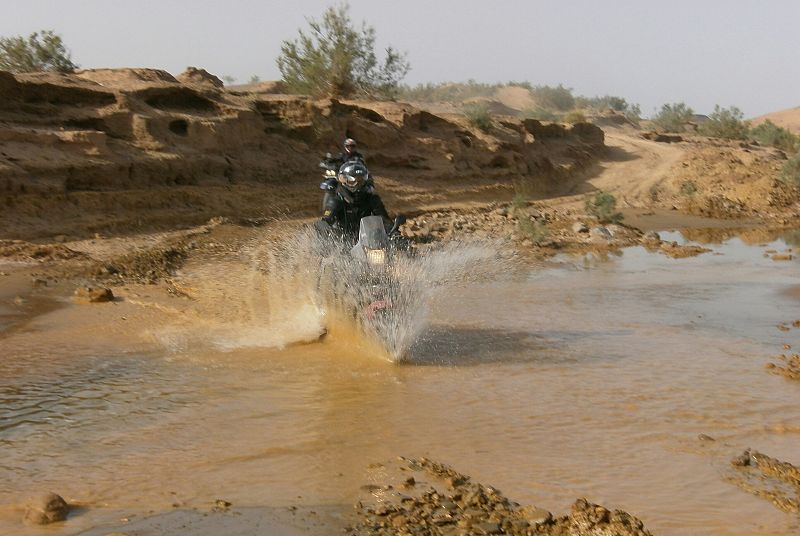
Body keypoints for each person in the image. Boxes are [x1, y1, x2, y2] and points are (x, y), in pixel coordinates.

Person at [319, 160, 390, 239]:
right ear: (344, 181)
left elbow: (385, 220)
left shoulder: (372, 199)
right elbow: (326, 220)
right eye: (353, 181)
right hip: (341, 244)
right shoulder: (337, 200)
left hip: (368, 242)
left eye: (360, 181)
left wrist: (395, 234)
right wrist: (323, 233)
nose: (357, 184)